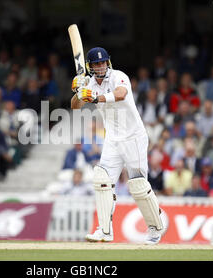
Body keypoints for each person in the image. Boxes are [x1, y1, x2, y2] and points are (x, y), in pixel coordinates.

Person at [71, 47, 166, 244]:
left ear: (108, 62)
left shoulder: (118, 76)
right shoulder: (89, 83)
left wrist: (95, 97)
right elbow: (75, 106)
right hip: (112, 139)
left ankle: (155, 229)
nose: (100, 66)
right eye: (96, 64)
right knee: (101, 178)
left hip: (134, 138)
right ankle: (104, 231)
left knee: (138, 185)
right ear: (89, 67)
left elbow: (121, 94)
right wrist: (78, 91)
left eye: (103, 62)